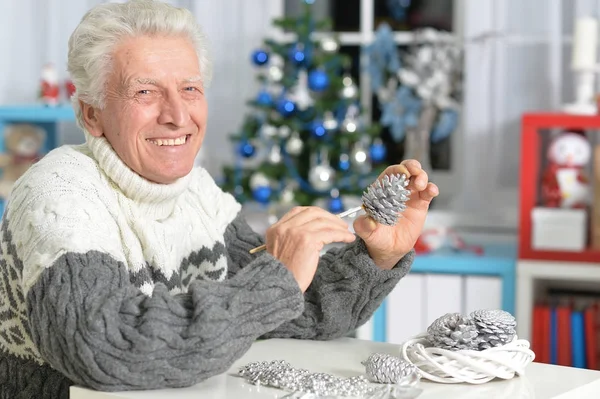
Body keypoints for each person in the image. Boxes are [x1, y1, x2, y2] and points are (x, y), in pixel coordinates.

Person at [0, 1, 439, 398]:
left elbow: (285, 312)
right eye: (145, 92)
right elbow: (104, 349)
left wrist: (377, 258)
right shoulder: (58, 194)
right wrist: (275, 277)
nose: (177, 115)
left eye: (189, 88)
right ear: (91, 114)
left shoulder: (199, 193)